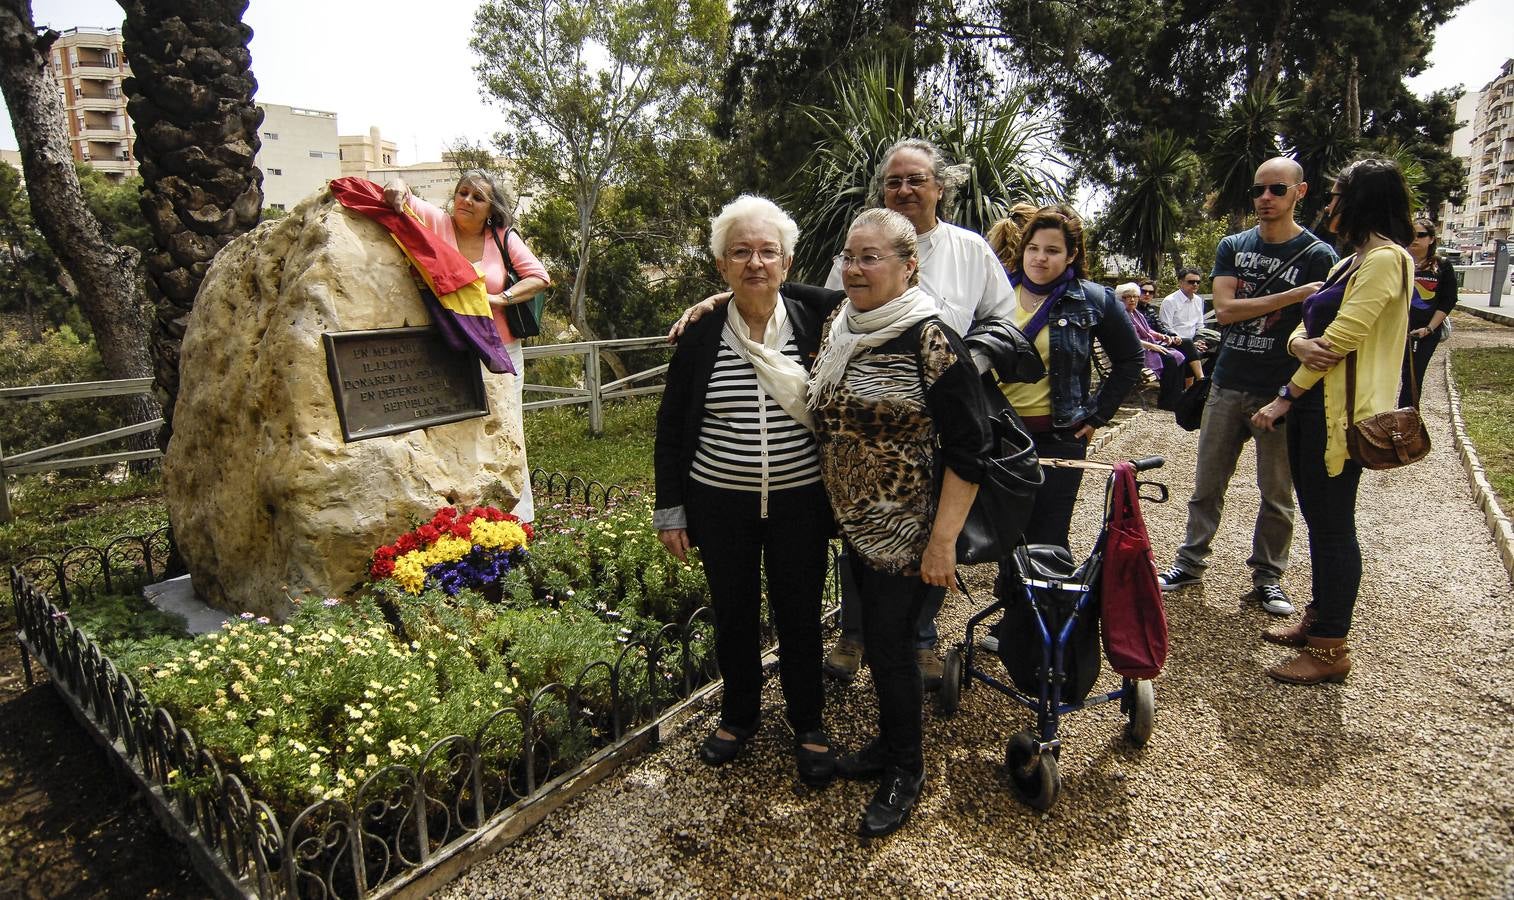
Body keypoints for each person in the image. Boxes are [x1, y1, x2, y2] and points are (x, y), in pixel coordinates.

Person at [668, 139, 1017, 687]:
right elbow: (831, 300)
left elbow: (1004, 324)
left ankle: (902, 708)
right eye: (894, 181)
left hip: (916, 474)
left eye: (916, 180)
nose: (904, 190)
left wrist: (956, 370)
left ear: (939, 189)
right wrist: (724, 298)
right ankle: (859, 653)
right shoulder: (835, 298)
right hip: (842, 487)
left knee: (897, 619)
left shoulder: (969, 255)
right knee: (859, 610)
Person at [812, 207, 989, 836]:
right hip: (854, 522)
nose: (855, 269)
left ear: (909, 265)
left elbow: (971, 448)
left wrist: (941, 545)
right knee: (883, 646)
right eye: (849, 257)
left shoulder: (929, 336)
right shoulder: (844, 324)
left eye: (871, 257)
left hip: (907, 530)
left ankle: (905, 770)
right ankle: (890, 748)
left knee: (890, 651)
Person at [652, 196, 835, 783]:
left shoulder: (815, 322)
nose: (755, 263)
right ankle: (739, 716)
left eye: (767, 252)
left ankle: (807, 722)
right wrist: (670, 510)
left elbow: (869, 297)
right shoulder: (702, 334)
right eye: (740, 253)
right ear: (721, 264)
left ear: (786, 261)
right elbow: (672, 427)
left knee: (801, 614)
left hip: (800, 502)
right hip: (719, 501)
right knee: (733, 614)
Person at [1250, 158, 1415, 683]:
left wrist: (1284, 396)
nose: (1329, 205)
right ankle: (1319, 620)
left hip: (1338, 415)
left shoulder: (1387, 260)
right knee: (1320, 522)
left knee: (1333, 528)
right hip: (1315, 407)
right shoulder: (1353, 261)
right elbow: (1307, 324)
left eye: (1337, 195)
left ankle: (1329, 650)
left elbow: (1342, 338)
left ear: (1361, 200)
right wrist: (1298, 341)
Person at [1155, 157, 1337, 617]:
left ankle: (1268, 578)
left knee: (1277, 494)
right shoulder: (1233, 245)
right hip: (1228, 383)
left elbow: (1322, 331)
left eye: (1277, 190)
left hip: (1281, 392)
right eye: (1258, 190)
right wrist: (1295, 296)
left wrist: (1290, 392)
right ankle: (1189, 563)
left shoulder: (1319, 256)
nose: (1265, 199)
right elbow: (1227, 310)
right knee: (1206, 485)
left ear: (1301, 192)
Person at [383, 170, 551, 521]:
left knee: (508, 433)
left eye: (477, 197)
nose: (467, 201)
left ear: (490, 208)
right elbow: (402, 193)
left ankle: (519, 520)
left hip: (501, 352)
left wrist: (499, 298)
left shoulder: (502, 237)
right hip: (453, 352)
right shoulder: (439, 223)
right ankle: (465, 521)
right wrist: (397, 187)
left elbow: (539, 276)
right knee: (461, 433)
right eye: (462, 193)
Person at [997, 205, 1143, 551]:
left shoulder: (1092, 298)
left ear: (1072, 254)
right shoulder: (997, 289)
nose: (1040, 259)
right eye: (1033, 248)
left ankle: (1044, 604)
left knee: (1047, 537)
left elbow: (1130, 358)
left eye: (1052, 250)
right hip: (999, 433)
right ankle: (1014, 597)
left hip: (1058, 436)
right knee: (1004, 534)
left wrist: (1096, 415)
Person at [1401, 217, 1457, 407]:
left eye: (1421, 235)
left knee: (1413, 380)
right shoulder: (1399, 261)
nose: (1415, 239)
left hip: (1424, 335)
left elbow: (1448, 300)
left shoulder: (1442, 266)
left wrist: (1429, 328)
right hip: (1396, 331)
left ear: (1431, 239)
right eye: (1412, 234)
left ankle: (1408, 424)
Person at [1116, 281, 1202, 397]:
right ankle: (1168, 399)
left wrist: (1164, 336)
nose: (1132, 300)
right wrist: (1153, 346)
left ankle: (1181, 392)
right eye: (1128, 297)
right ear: (1121, 299)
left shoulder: (1137, 313)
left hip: (1150, 343)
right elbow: (1130, 339)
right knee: (1170, 358)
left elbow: (1149, 330)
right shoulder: (1122, 315)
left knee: (1181, 353)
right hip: (1134, 352)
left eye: (1135, 296)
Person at [1158, 267, 1207, 340]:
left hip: (1195, 340)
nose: (1195, 284)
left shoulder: (1198, 300)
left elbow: (1199, 325)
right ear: (1180, 283)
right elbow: (1166, 328)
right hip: (1176, 341)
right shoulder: (1170, 301)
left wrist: (1200, 340)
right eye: (1191, 282)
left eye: (1198, 282)